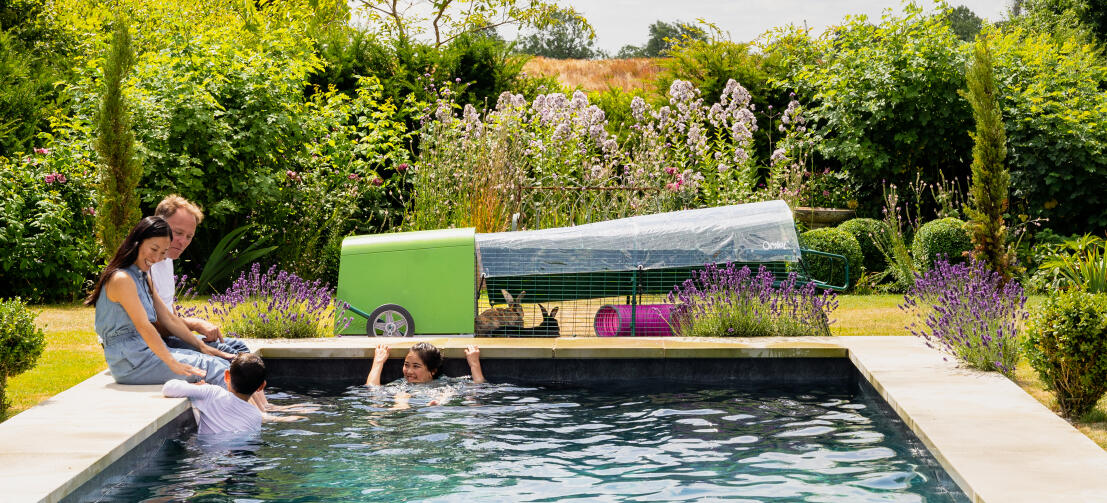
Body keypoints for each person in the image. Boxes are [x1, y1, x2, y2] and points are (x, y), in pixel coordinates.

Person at [85, 216, 232, 385]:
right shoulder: (122, 279)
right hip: (131, 362)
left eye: (163, 253)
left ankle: (258, 410)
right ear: (137, 242)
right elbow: (144, 326)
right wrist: (172, 363)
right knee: (215, 369)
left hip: (145, 354)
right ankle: (243, 410)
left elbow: (169, 318)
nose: (156, 258)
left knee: (221, 362)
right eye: (154, 249)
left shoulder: (142, 276)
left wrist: (201, 347)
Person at [150, 195, 249, 355]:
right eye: (178, 232)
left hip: (167, 335)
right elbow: (152, 324)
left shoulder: (167, 258)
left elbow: (167, 304)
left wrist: (185, 330)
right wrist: (193, 324)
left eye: (189, 236)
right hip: (150, 342)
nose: (183, 242)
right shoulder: (144, 263)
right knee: (226, 353)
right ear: (158, 225)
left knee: (239, 346)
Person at [162, 353, 268, 435]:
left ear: (226, 376)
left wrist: (197, 387)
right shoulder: (256, 415)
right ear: (261, 386)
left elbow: (168, 388)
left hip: (210, 458)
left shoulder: (212, 393)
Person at [366, 342, 485, 387]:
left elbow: (479, 386)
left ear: (432, 371)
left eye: (416, 366)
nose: (409, 371)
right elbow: (372, 389)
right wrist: (378, 361)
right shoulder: (401, 385)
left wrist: (474, 364)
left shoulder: (444, 384)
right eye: (406, 364)